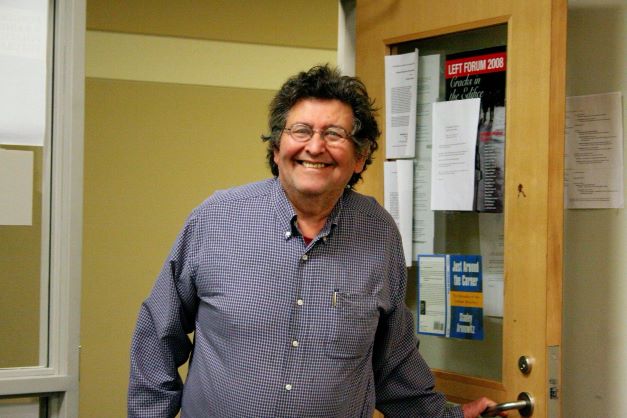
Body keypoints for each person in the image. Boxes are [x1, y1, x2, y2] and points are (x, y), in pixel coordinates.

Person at [128, 65, 502, 417]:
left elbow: (394, 363)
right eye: (301, 131)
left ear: (360, 156)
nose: (315, 146)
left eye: (335, 134)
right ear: (277, 149)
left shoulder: (379, 233)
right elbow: (157, 335)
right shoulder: (216, 219)